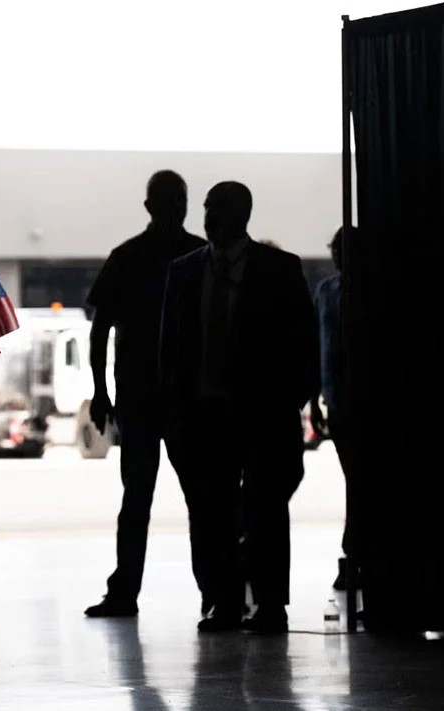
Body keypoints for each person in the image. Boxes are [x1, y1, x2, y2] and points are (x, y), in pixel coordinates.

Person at [158, 181, 317, 634]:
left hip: (263, 412)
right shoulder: (184, 271)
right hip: (203, 412)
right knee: (212, 512)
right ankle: (223, 602)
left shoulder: (279, 269)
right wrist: (174, 411)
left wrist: (290, 400)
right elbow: (170, 348)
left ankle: (270, 603)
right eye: (208, 208)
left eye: (218, 209)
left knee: (266, 510)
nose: (209, 218)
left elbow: (303, 340)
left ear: (242, 214)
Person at [83, 170, 205, 618]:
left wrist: (101, 391)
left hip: (142, 396)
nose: (177, 209)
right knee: (199, 499)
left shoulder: (128, 256)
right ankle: (214, 592)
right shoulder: (199, 256)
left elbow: (100, 330)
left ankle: (125, 590)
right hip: (184, 398)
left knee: (138, 499)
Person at [311, 227, 358, 591]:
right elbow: (318, 347)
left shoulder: (334, 292)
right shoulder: (326, 292)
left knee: (356, 481)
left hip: (348, 400)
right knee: (355, 480)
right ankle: (354, 553)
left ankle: (353, 552)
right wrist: (315, 400)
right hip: (338, 400)